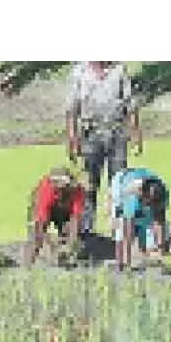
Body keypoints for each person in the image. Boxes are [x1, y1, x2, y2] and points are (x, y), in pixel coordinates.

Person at [66, 62, 143, 236]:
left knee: (119, 183)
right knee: (89, 184)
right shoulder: (80, 72)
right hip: (90, 133)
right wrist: (72, 138)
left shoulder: (119, 70)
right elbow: (71, 109)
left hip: (116, 132)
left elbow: (131, 105)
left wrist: (136, 134)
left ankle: (119, 230)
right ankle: (86, 230)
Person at [110, 167, 171, 270]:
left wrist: (161, 248)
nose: (148, 206)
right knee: (120, 228)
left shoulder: (163, 194)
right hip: (122, 182)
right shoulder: (132, 198)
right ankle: (121, 262)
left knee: (150, 230)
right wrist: (126, 264)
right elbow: (127, 233)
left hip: (143, 181)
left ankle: (146, 252)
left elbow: (160, 221)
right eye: (147, 203)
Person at [24, 166, 86, 267]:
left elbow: (76, 218)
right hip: (41, 207)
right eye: (62, 184)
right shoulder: (46, 189)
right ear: (55, 183)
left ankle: (65, 260)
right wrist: (51, 243)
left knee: (70, 235)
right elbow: (41, 220)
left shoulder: (77, 190)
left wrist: (71, 242)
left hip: (64, 210)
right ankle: (28, 265)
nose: (66, 186)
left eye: (68, 184)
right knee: (36, 239)